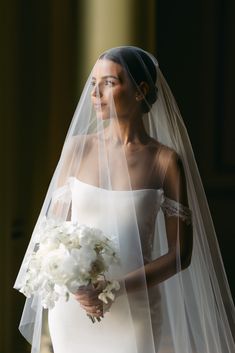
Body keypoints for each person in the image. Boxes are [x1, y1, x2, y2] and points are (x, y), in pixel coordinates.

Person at [15, 46, 235, 353]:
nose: (96, 94)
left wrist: (114, 288)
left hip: (135, 311)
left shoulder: (165, 162)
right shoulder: (77, 149)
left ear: (139, 90)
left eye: (108, 83)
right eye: (93, 84)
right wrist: (72, 282)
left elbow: (181, 254)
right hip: (74, 311)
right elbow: (51, 235)